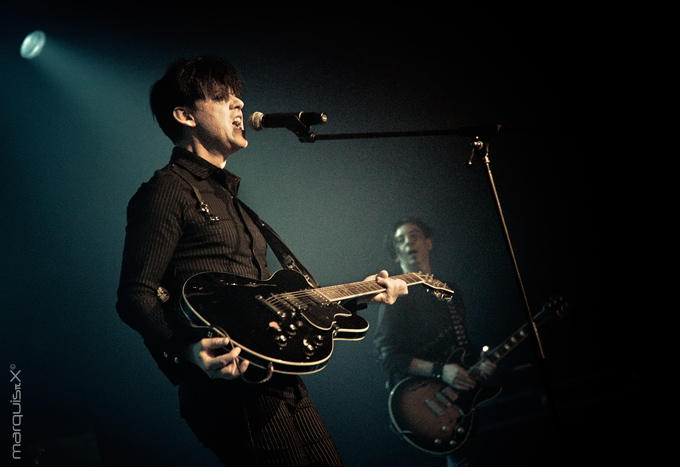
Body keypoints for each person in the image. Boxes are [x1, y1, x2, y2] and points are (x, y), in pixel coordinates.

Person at [116, 55, 407, 466]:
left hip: (281, 377)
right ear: (184, 115)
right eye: (222, 98)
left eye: (238, 96)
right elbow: (134, 295)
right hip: (229, 389)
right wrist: (189, 348)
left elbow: (277, 301)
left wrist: (363, 294)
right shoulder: (168, 191)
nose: (239, 105)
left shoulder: (232, 200)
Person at [373, 217, 497, 467]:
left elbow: (461, 345)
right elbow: (390, 357)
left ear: (429, 243)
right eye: (400, 240)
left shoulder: (450, 291)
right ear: (397, 255)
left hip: (464, 397)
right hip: (428, 401)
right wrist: (441, 371)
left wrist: (480, 365)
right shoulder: (396, 297)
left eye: (414, 235)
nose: (408, 242)